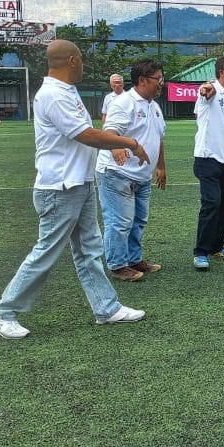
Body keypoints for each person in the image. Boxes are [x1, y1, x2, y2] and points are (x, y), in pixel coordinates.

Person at [0, 40, 149, 340]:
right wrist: (130, 143)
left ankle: (106, 308)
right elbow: (85, 135)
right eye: (82, 60)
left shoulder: (66, 91)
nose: (83, 65)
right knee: (47, 250)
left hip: (80, 183)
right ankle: (2, 312)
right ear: (72, 60)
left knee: (89, 249)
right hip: (59, 187)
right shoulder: (52, 94)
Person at [96, 59, 168, 281]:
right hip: (116, 174)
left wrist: (161, 166)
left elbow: (158, 138)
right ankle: (118, 266)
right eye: (158, 79)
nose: (162, 83)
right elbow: (110, 131)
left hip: (141, 176)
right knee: (120, 221)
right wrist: (117, 146)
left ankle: (134, 259)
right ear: (143, 80)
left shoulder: (154, 106)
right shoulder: (124, 102)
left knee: (138, 220)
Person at [193, 55, 224, 270]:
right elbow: (205, 92)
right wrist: (206, 90)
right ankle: (200, 252)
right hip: (208, 158)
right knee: (212, 203)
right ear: (221, 72)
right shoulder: (210, 91)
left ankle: (217, 246)